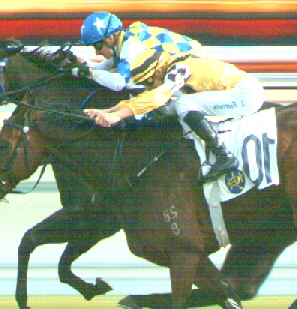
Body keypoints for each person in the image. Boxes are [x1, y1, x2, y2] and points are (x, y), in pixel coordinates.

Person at [72, 11, 261, 184]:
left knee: (182, 104)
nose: (148, 87)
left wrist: (117, 116)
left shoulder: (177, 70)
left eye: (148, 82)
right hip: (226, 87)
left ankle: (223, 155)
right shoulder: (159, 62)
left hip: (245, 94)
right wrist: (107, 111)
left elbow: (156, 96)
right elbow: (147, 97)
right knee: (169, 108)